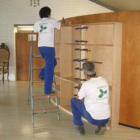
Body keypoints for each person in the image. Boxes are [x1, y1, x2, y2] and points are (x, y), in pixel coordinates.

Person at [71, 62, 110, 135]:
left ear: (85, 74)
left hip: (93, 119)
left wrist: (79, 97)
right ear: (95, 70)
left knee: (73, 101)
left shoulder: (86, 84)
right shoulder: (104, 80)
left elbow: (79, 98)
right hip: (106, 118)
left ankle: (79, 126)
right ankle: (101, 125)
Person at [33, 6, 61, 95]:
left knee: (53, 62)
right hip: (49, 47)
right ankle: (47, 90)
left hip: (41, 47)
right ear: (49, 14)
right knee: (49, 69)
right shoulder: (51, 21)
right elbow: (59, 26)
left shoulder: (37, 22)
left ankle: (41, 74)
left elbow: (35, 30)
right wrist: (62, 21)